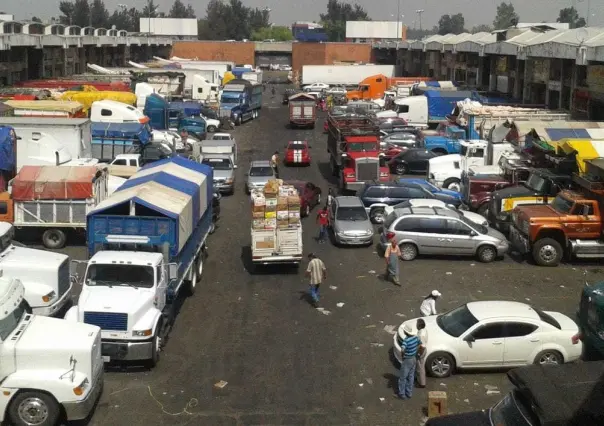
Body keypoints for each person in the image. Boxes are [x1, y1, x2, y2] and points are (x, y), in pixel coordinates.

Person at [397, 323, 421, 400]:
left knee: (403, 378)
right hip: (414, 358)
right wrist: (416, 352)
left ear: (405, 332)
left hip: (407, 360)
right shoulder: (416, 338)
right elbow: (420, 344)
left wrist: (403, 356)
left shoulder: (406, 341)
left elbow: (402, 349)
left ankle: (402, 394)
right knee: (411, 376)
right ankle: (409, 392)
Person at [416, 319, 428, 388]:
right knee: (420, 366)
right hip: (423, 350)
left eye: (417, 324)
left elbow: (422, 347)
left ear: (419, 325)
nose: (416, 325)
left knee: (420, 367)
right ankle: (420, 380)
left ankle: (422, 383)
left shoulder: (421, 335)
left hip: (421, 351)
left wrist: (418, 353)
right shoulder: (424, 330)